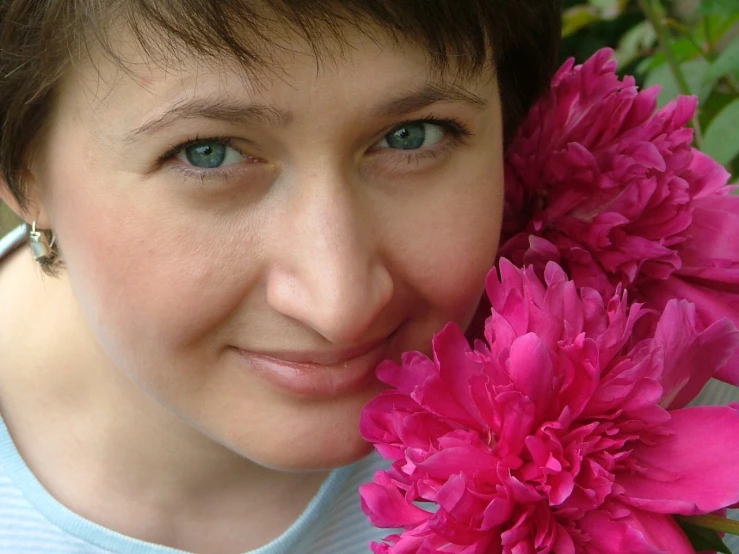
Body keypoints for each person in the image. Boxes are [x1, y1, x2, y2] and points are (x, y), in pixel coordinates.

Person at [0, 1, 562, 553]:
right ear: (23, 173)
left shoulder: (602, 399)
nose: (339, 305)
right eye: (209, 152)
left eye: (412, 136)